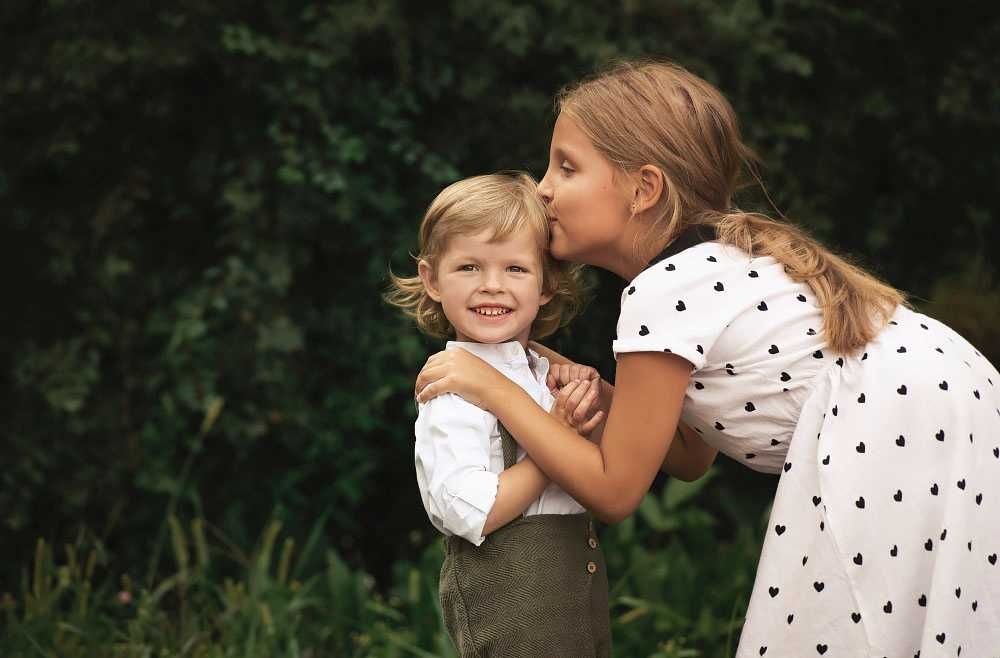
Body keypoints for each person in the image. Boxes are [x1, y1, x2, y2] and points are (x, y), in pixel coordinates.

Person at [414, 61, 1000, 657]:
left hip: (902, 423)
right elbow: (691, 455)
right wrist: (587, 389)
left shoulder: (664, 291)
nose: (543, 188)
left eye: (566, 167)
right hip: (947, 400)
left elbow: (615, 492)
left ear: (644, 189)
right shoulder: (705, 267)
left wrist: (495, 388)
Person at [386, 172, 612, 657]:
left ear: (547, 285)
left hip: (575, 601)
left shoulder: (542, 373)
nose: (492, 287)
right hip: (515, 612)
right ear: (432, 279)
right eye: (469, 267)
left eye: (515, 269)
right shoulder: (452, 390)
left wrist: (581, 393)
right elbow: (470, 509)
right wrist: (556, 437)